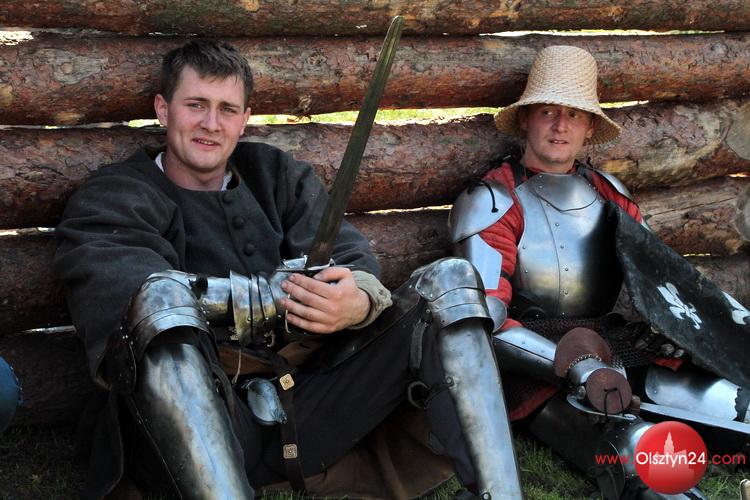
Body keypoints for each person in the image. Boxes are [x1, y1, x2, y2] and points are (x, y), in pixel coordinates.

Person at [55, 39, 523, 499]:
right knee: (160, 302)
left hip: (304, 406)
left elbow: (352, 259)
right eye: (196, 105)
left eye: (226, 109)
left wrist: (357, 301)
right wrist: (278, 298)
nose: (211, 124)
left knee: (450, 281)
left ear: (244, 119)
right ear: (163, 109)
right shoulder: (115, 194)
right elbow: (131, 295)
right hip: (180, 431)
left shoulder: (276, 174)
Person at [450, 45, 749, 499]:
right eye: (548, 111)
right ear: (526, 119)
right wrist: (581, 368)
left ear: (589, 126)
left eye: (573, 114)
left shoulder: (610, 194)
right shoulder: (492, 200)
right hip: (537, 369)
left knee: (739, 407)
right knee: (641, 449)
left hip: (616, 348)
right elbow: (484, 320)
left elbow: (657, 282)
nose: (560, 125)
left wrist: (679, 336)